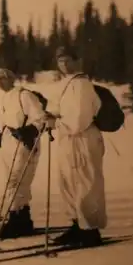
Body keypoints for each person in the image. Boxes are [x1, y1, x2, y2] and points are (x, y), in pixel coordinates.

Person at [46, 46, 107, 247]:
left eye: (68, 60)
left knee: (84, 182)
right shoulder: (65, 84)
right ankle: (77, 225)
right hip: (67, 139)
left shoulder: (81, 85)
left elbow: (79, 118)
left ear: (76, 60)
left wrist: (56, 122)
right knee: (67, 182)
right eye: (60, 61)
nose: (64, 64)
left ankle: (90, 230)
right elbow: (55, 109)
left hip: (82, 138)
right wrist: (49, 117)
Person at [0, 68, 47, 238]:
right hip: (9, 144)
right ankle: (22, 218)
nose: (0, 82)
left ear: (11, 79)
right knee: (13, 181)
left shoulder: (24, 95)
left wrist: (29, 131)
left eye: (3, 78)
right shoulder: (5, 97)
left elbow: (40, 117)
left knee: (17, 180)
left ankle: (15, 218)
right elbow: (5, 122)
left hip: (24, 144)